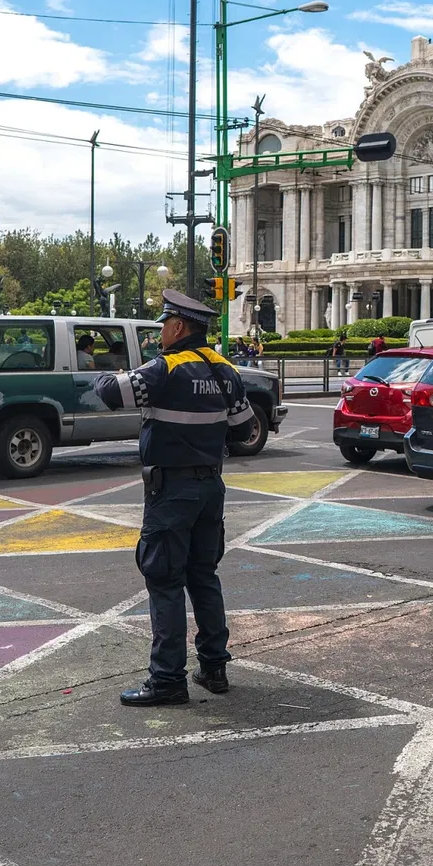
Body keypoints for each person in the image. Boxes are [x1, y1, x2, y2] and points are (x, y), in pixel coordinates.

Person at [94, 289, 255, 707]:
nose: (160, 332)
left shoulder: (164, 369)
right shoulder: (226, 370)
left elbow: (111, 392)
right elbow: (243, 428)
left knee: (164, 580)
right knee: (204, 575)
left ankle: (167, 679)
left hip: (171, 490)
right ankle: (214, 667)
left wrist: (106, 366)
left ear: (179, 327)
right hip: (210, 488)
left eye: (164, 324)